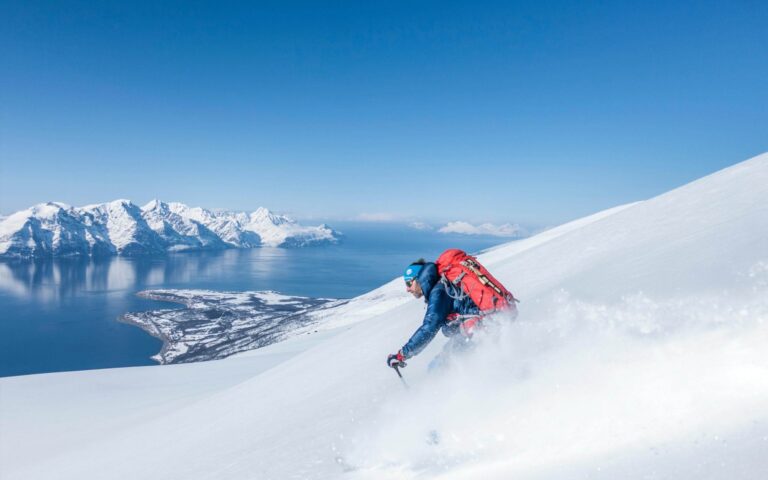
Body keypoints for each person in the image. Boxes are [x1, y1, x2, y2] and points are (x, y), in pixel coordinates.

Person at [387, 259, 482, 371]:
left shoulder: (439, 292)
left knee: (438, 369)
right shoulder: (443, 287)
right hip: (474, 329)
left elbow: (429, 328)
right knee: (437, 365)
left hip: (475, 330)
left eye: (409, 283)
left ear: (418, 279)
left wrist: (402, 355)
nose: (407, 289)